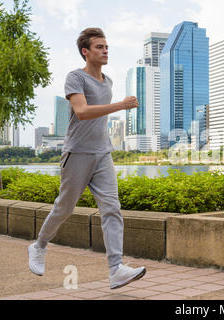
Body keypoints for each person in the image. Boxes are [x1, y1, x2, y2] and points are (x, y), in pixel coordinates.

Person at [28, 27, 146, 289]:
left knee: (112, 209)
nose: (105, 51)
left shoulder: (109, 81)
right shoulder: (75, 78)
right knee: (65, 207)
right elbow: (81, 111)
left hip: (102, 153)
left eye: (106, 47)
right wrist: (122, 105)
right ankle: (39, 246)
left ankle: (116, 269)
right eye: (99, 47)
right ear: (86, 51)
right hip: (77, 153)